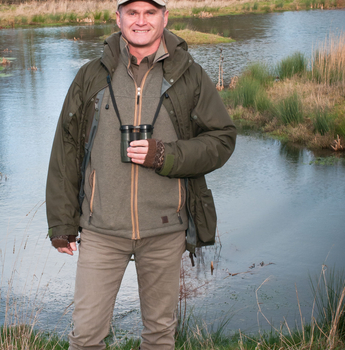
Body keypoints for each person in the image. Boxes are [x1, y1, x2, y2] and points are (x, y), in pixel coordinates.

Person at [45, 0, 236, 348]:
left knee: (160, 335)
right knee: (85, 337)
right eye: (132, 12)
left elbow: (222, 140)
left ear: (165, 17)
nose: (141, 21)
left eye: (150, 12)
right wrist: (61, 222)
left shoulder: (189, 75)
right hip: (100, 229)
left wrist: (165, 154)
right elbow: (66, 149)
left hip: (165, 231)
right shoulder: (91, 75)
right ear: (118, 18)